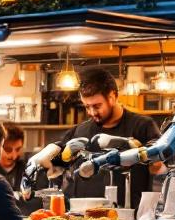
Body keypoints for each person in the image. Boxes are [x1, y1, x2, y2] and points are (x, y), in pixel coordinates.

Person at [58, 68, 161, 211]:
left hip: (129, 218)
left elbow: (158, 165)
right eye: (87, 107)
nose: (92, 112)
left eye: (97, 106)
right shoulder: (80, 131)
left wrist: (132, 149)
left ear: (112, 96)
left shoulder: (143, 126)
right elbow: (59, 162)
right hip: (83, 217)